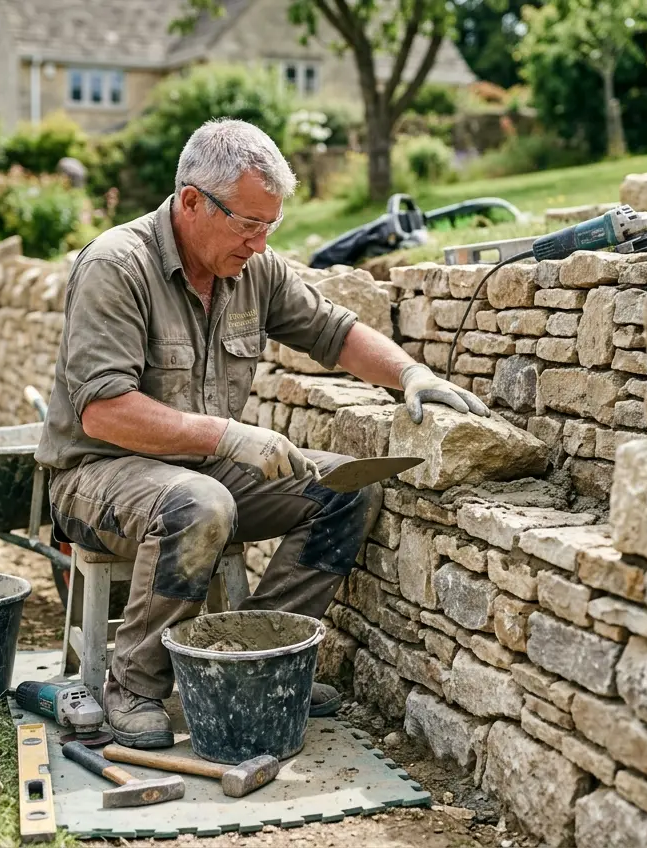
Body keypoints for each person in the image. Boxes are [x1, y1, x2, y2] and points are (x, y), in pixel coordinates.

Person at [36, 118, 488, 749]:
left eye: (268, 226)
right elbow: (102, 412)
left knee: (346, 491)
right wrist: (225, 436)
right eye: (248, 224)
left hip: (199, 468)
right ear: (192, 201)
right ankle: (134, 686)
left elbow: (333, 332)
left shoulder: (254, 270)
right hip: (96, 478)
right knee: (200, 505)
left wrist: (410, 373)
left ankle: (247, 657)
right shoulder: (118, 266)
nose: (258, 242)